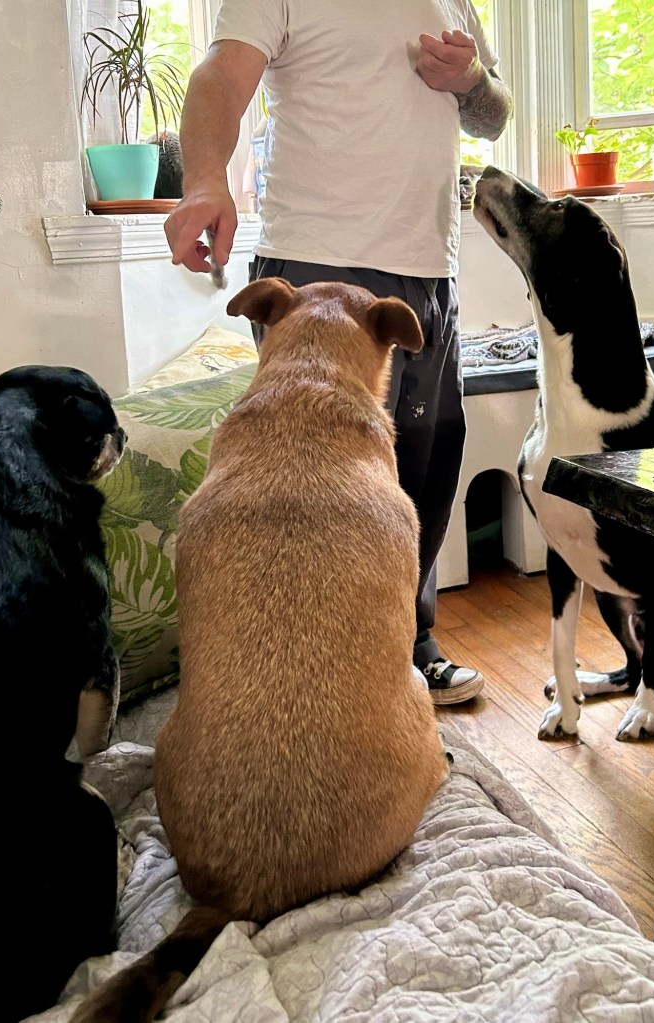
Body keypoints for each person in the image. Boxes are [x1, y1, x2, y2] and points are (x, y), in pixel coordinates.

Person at [164, 0, 513, 705]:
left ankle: (400, 657)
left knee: (425, 465)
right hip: (317, 269)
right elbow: (219, 78)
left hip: (429, 270)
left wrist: (470, 79)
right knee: (316, 493)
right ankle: (306, 674)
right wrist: (204, 180)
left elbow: (492, 116)